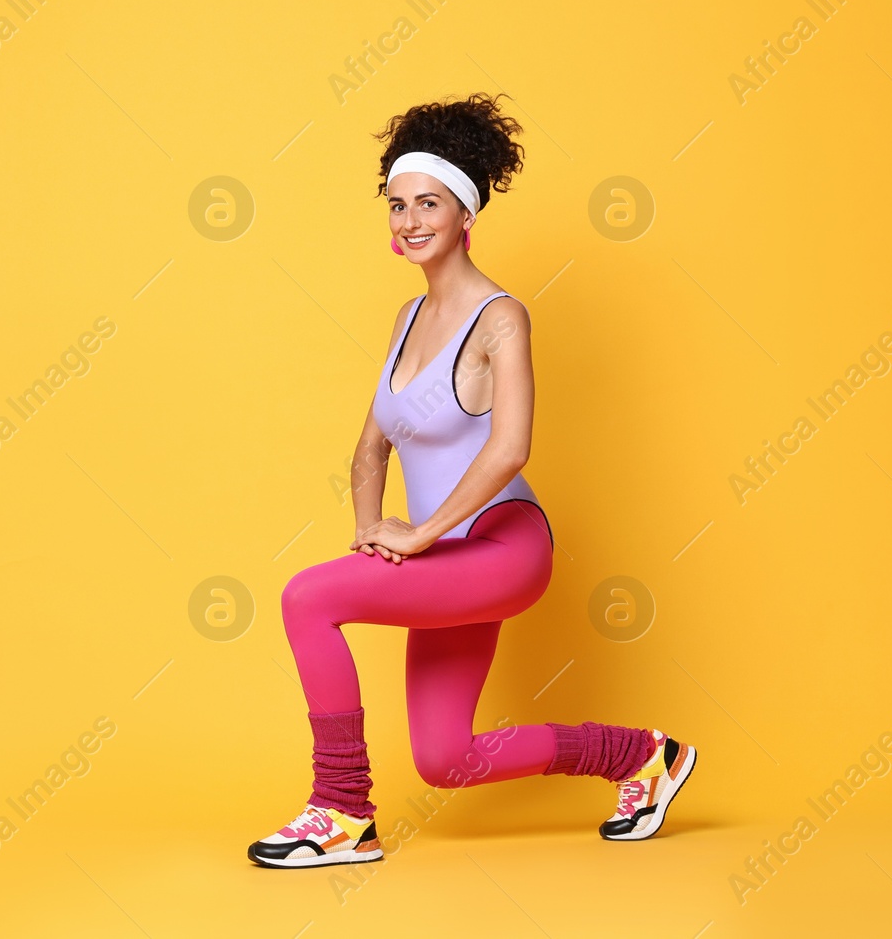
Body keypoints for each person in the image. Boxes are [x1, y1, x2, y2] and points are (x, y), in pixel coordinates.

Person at [247, 93, 695, 869]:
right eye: (397, 205)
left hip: (502, 545)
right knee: (446, 759)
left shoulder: (500, 318)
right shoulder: (404, 320)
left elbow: (511, 447)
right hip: (441, 557)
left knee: (306, 598)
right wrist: (368, 533)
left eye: (429, 203)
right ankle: (640, 757)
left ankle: (341, 811)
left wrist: (416, 533)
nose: (410, 220)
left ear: (465, 213)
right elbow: (369, 447)